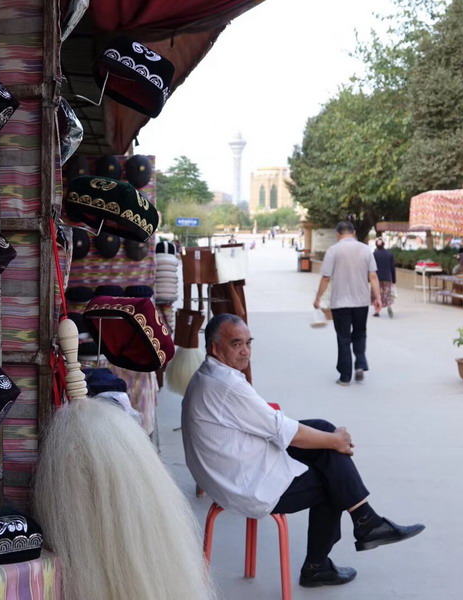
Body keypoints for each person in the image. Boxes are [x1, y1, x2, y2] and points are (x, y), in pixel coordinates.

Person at [182, 314, 425, 588]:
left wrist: (331, 439)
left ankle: (365, 520)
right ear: (215, 349)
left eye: (248, 343)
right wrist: (336, 441)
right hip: (244, 484)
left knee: (323, 430)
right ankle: (321, 563)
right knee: (332, 481)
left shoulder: (210, 375)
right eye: (236, 344)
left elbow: (274, 425)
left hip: (232, 467)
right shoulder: (227, 386)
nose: (245, 351)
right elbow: (282, 430)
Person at [313, 221, 380, 386]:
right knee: (360, 333)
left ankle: (345, 377)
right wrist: (377, 298)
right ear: (354, 232)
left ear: (337, 234)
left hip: (340, 302)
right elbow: (373, 276)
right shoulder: (366, 249)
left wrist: (318, 298)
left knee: (343, 338)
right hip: (361, 301)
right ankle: (360, 363)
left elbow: (326, 277)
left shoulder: (333, 250)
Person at [372, 237, 396, 318]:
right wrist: (394, 280)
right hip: (387, 277)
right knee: (386, 293)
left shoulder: (374, 255)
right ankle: (389, 305)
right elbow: (392, 268)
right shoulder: (389, 254)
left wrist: (369, 278)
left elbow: (371, 268)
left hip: (376, 278)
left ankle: (377, 311)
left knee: (376, 294)